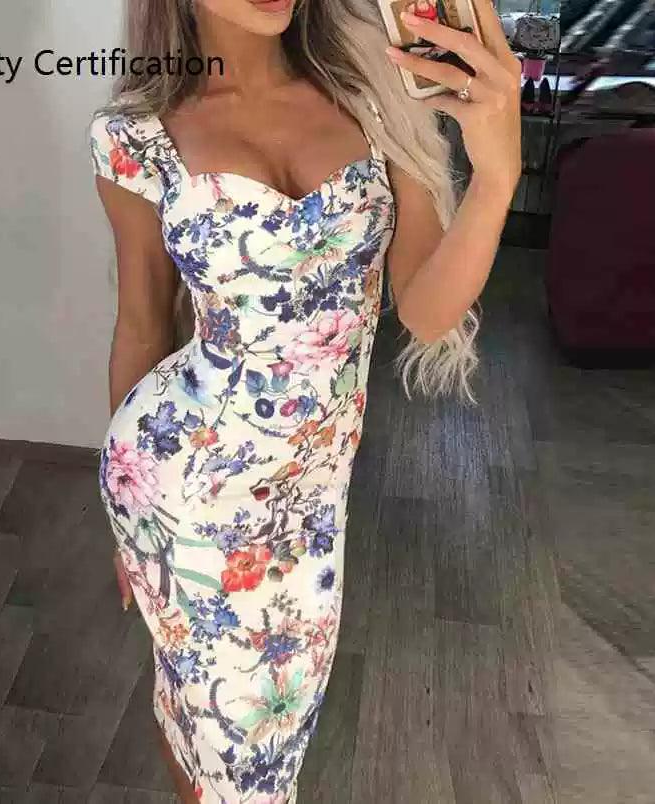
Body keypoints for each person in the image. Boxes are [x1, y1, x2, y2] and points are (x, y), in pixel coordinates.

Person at [89, 1, 520, 801]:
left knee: (253, 732)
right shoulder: (135, 135)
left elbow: (427, 313)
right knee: (226, 738)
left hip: (311, 506)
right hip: (179, 491)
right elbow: (143, 327)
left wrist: (497, 178)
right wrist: (130, 526)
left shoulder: (372, 98)